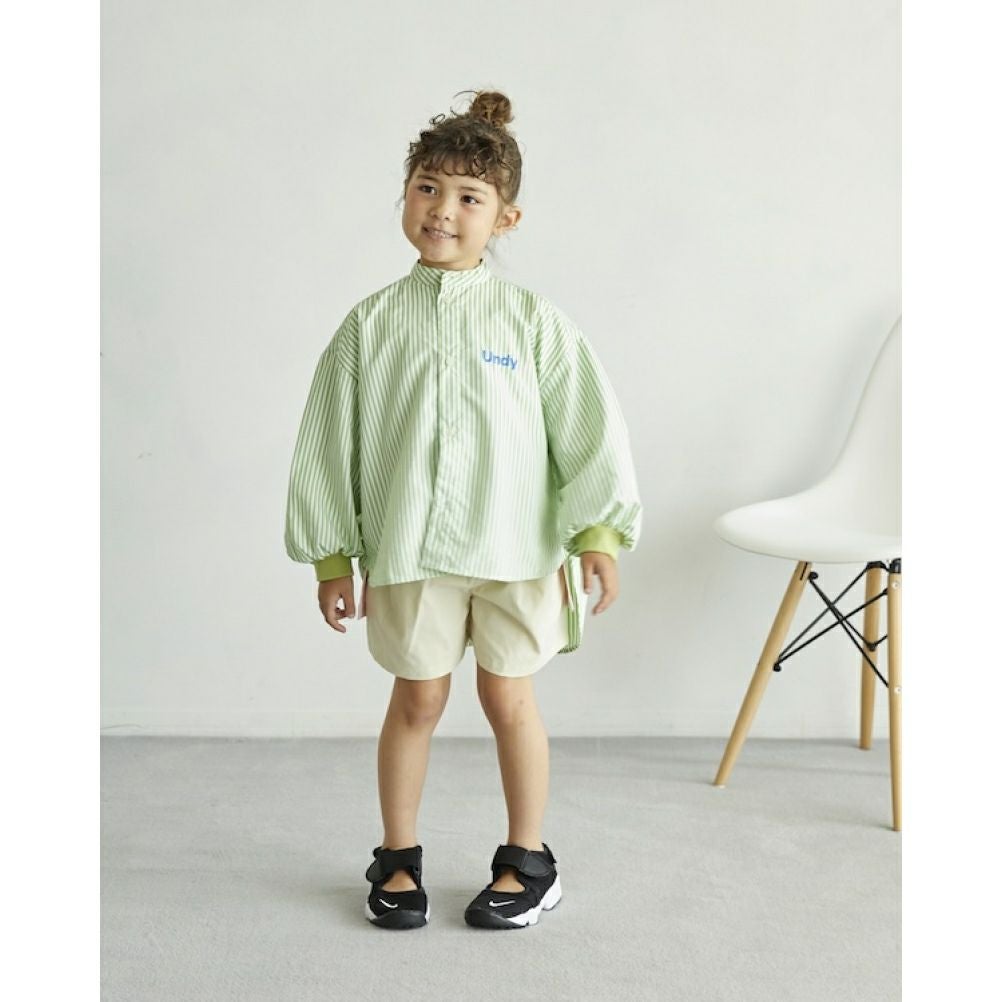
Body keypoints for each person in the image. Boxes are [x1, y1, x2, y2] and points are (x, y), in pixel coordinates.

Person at [284, 88, 642, 930]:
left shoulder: (533, 322)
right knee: (416, 701)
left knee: (510, 699)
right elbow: (329, 443)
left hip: (517, 553)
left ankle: (528, 859)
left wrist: (597, 533)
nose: (443, 210)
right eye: (427, 188)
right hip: (411, 551)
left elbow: (587, 429)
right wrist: (333, 556)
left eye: (469, 197)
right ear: (406, 195)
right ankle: (397, 857)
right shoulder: (369, 326)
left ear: (505, 218)